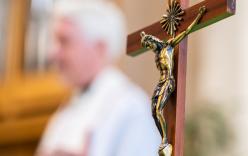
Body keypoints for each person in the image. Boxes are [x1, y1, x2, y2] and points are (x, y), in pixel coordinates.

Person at [36, 0, 160, 156]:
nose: (53, 53)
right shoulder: (64, 114)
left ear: (99, 48)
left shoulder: (130, 107)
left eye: (64, 41)